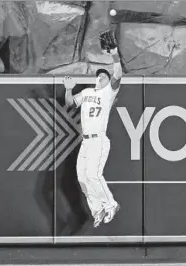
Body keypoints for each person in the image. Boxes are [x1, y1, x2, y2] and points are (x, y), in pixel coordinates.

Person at [63, 47, 122, 228]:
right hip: (86, 141)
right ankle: (97, 210)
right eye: (98, 76)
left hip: (98, 139)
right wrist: (68, 89)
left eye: (103, 76)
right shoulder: (87, 93)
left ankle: (111, 204)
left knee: (93, 175)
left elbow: (118, 74)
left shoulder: (108, 94)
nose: (100, 77)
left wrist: (114, 53)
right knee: (82, 177)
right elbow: (70, 103)